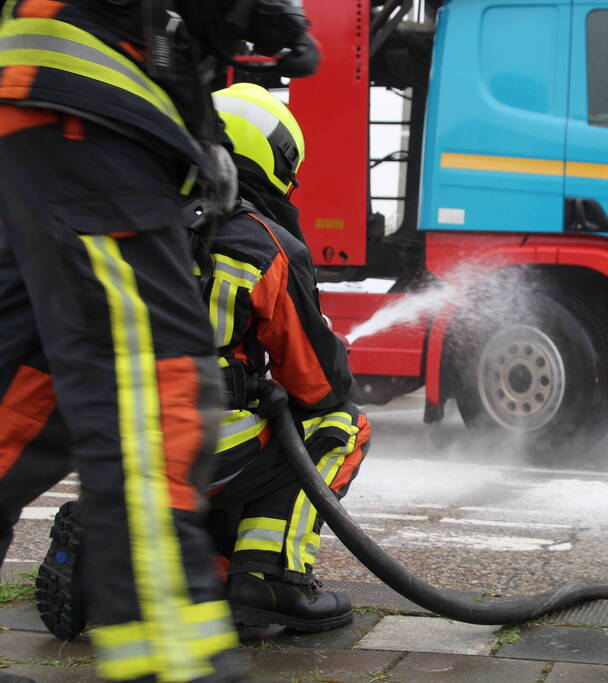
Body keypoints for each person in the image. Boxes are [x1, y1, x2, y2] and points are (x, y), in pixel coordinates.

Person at [0, 1, 319, 680]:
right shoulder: (271, 249)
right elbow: (322, 383)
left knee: (19, 407)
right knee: (154, 398)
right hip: (92, 109)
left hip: (41, 97)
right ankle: (179, 656)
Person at [203, 82, 370, 633]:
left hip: (107, 434)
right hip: (200, 441)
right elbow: (317, 383)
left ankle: (188, 565)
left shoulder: (139, 219)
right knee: (340, 424)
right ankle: (271, 580)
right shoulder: (260, 244)